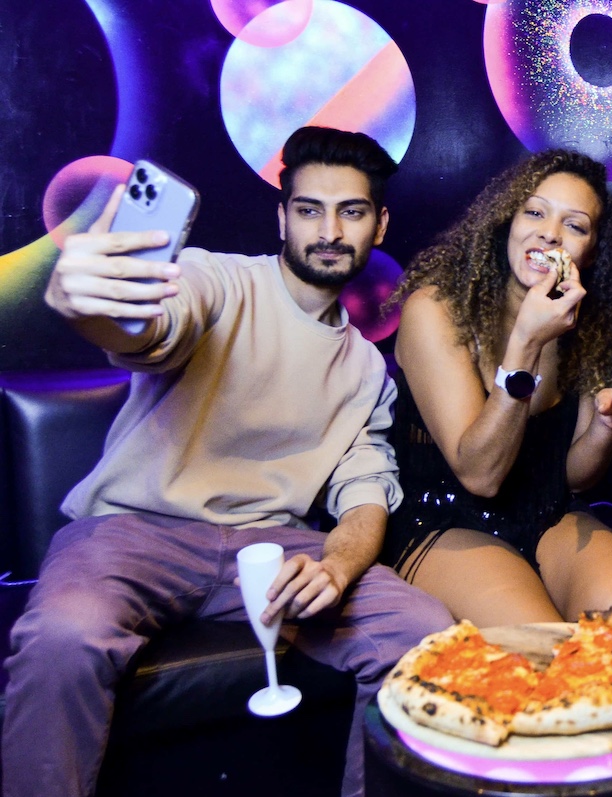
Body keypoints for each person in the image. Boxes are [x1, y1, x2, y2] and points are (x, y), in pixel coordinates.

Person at [12, 126, 454, 797]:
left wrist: (336, 563)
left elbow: (366, 491)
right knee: (63, 637)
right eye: (309, 209)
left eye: (352, 211)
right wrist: (97, 307)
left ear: (379, 224)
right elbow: (153, 325)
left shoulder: (367, 367)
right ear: (282, 216)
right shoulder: (218, 279)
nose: (329, 230)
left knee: (425, 632)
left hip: (273, 549)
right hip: (134, 531)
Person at [382, 149, 612, 626]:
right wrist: (527, 343)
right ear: (506, 222)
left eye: (574, 225)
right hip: (445, 520)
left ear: (590, 252)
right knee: (542, 645)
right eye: (534, 212)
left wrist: (602, 423)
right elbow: (480, 475)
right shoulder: (434, 310)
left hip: (545, 513)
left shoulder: (587, 323)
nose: (549, 233)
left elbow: (575, 479)